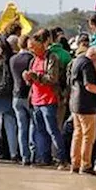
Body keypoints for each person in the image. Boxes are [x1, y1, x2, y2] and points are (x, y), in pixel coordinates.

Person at [24, 30, 65, 168]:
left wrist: (35, 76)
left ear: (42, 45)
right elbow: (32, 81)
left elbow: (52, 78)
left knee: (52, 130)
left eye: (34, 47)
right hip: (36, 100)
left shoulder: (51, 58)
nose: (32, 50)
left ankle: (61, 158)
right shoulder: (33, 60)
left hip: (49, 100)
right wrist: (28, 78)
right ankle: (44, 158)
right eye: (30, 48)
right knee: (40, 131)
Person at [68, 46, 96, 175]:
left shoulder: (76, 61)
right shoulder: (87, 64)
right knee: (88, 136)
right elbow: (89, 85)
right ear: (94, 56)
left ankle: (75, 163)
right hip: (86, 105)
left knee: (77, 134)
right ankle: (85, 165)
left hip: (75, 103)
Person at [10, 35, 35, 166]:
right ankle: (32, 153)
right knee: (32, 125)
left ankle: (24, 156)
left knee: (21, 127)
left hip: (16, 95)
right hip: (29, 96)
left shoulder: (13, 59)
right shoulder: (31, 58)